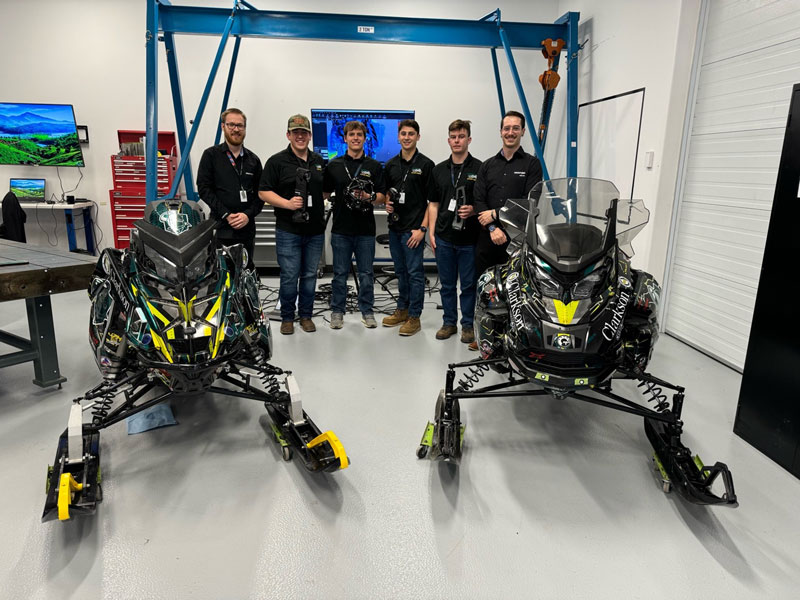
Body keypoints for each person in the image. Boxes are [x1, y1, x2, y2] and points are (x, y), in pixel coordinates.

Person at [471, 110, 543, 349]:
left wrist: (497, 214)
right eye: (506, 128)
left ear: (522, 132)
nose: (510, 132)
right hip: (487, 237)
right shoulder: (488, 165)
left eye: (515, 128)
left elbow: (530, 202)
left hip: (517, 239)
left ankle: (516, 337)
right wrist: (492, 226)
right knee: (485, 286)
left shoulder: (532, 164)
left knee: (515, 288)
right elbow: (478, 200)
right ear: (500, 131)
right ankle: (482, 335)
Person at [259, 114, 326, 335]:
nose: (300, 136)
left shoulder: (318, 161)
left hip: (315, 231)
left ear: (309, 135)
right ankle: (288, 317)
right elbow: (263, 192)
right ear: (288, 135)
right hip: (288, 230)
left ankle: (306, 315)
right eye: (295, 132)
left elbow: (324, 189)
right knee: (289, 276)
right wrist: (287, 204)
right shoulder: (276, 162)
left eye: (304, 132)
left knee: (309, 276)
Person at [323, 120, 386, 329]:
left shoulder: (374, 166)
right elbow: (323, 192)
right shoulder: (334, 165)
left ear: (365, 138)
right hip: (341, 229)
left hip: (365, 230)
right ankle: (337, 311)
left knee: (366, 274)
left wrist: (369, 197)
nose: (356, 138)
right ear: (345, 138)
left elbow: (383, 197)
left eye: (360, 134)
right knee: (339, 274)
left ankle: (367, 310)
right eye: (352, 135)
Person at [427, 119, 482, 344]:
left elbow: (484, 202)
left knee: (468, 285)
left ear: (469, 140)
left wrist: (474, 209)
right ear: (448, 140)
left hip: (469, 239)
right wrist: (431, 233)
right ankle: (449, 322)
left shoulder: (480, 168)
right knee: (447, 284)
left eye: (461, 136)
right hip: (444, 237)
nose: (457, 140)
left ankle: (467, 325)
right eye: (453, 137)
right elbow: (433, 204)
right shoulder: (439, 170)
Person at [382, 119, 435, 336]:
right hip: (395, 228)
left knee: (414, 273)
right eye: (403, 133)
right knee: (401, 272)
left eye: (411, 134)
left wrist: (422, 230)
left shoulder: (426, 165)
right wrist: (386, 202)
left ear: (417, 137)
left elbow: (431, 202)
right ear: (398, 137)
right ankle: (402, 310)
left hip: (413, 231)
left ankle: (415, 317)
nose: (406, 137)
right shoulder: (392, 164)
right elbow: (388, 192)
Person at [197, 108, 263, 270]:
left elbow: (261, 195)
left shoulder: (253, 160)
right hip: (221, 228)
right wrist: (226, 214)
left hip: (246, 229)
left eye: (240, 125)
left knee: (245, 272)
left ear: (245, 128)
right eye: (231, 125)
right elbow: (204, 189)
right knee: (220, 273)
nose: (236, 129)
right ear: (223, 127)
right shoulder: (211, 156)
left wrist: (247, 215)